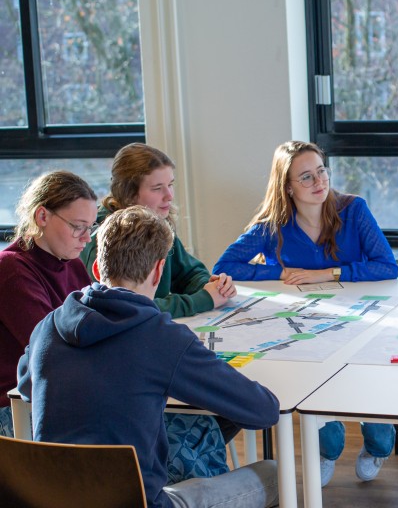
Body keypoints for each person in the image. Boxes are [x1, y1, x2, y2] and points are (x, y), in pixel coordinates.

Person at [17, 206, 280, 508]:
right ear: (158, 271)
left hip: (52, 499)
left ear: (97, 270)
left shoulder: (49, 326)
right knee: (274, 474)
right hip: (139, 501)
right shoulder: (161, 338)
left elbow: (26, 386)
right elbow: (264, 412)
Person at [214, 140, 398, 487]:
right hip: (305, 328)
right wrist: (280, 272)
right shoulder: (274, 224)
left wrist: (328, 274)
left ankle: (377, 448)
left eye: (322, 171)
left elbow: (387, 266)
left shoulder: (353, 209)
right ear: (288, 186)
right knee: (322, 416)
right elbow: (225, 266)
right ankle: (326, 452)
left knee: (379, 430)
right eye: (306, 177)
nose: (319, 182)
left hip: (362, 323)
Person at [80, 142, 239, 483]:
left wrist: (210, 283)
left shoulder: (158, 225)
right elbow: (130, 302)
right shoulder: (108, 237)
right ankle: (181, 467)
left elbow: (189, 271)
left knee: (224, 407)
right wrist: (203, 300)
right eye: (157, 188)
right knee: (228, 403)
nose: (169, 197)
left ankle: (182, 464)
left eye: (171, 186)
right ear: (128, 194)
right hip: (135, 364)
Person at [0, 171, 97, 437]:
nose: (87, 238)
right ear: (42, 216)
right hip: (18, 406)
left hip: (61, 392)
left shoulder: (73, 264)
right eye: (78, 226)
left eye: (91, 227)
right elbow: (54, 350)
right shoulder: (11, 269)